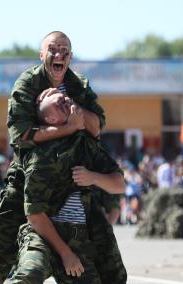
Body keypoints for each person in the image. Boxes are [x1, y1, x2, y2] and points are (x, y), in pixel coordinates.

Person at [0, 31, 124, 284]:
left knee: (113, 270)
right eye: (52, 49)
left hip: (74, 181)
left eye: (65, 49)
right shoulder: (28, 83)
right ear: (42, 55)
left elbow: (96, 128)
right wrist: (69, 127)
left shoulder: (78, 86)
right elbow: (21, 135)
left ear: (70, 57)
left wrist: (75, 109)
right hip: (31, 178)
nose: (59, 54)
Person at [7, 92, 126, 283]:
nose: (64, 100)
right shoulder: (40, 156)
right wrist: (65, 253)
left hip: (78, 235)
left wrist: (93, 177)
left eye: (65, 98)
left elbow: (119, 185)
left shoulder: (85, 145)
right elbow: (35, 214)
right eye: (58, 103)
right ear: (50, 119)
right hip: (43, 234)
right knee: (30, 274)